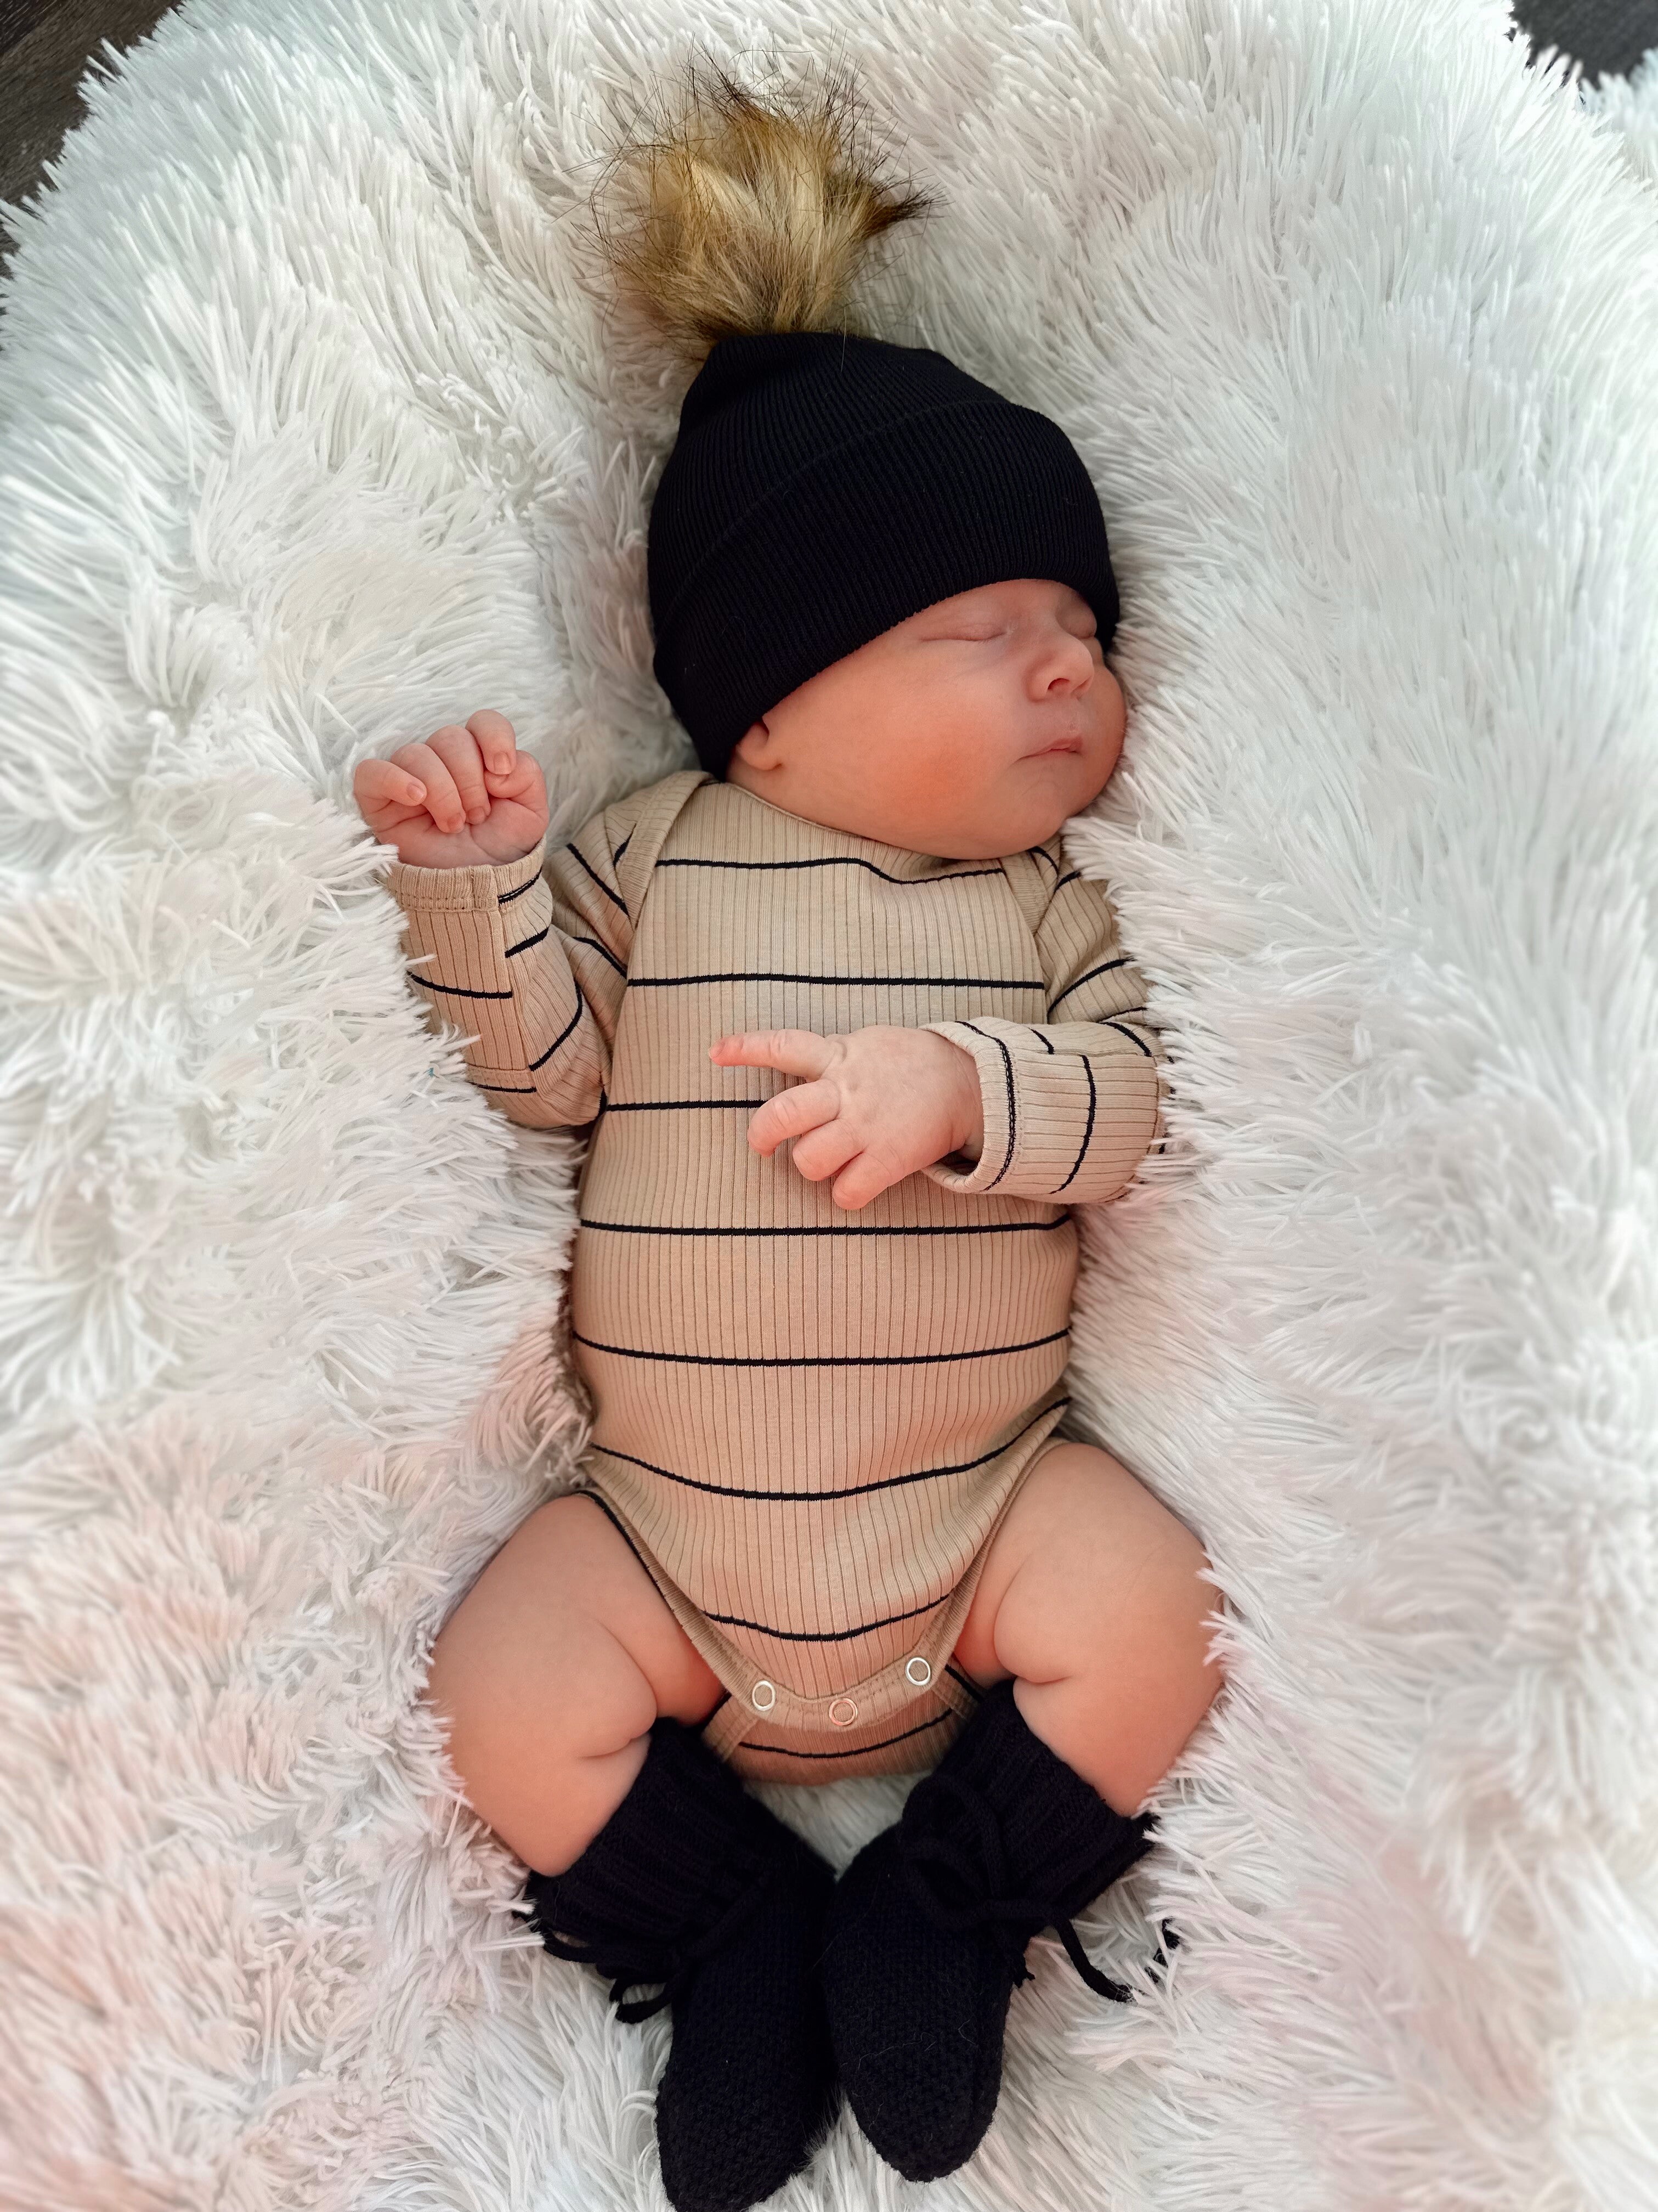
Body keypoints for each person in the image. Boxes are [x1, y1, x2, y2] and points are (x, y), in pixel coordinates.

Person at [352, 58, 1225, 2212]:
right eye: (988, 629)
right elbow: (546, 1069)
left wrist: (964, 1095)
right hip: (663, 1559)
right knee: (495, 1687)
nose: (1068, 676)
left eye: (1084, 635)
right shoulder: (670, 850)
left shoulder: (1049, 912)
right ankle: (730, 1928)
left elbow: (1122, 1109)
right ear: (775, 699)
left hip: (981, 1531)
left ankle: (941, 1903)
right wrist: (472, 890)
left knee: (1160, 1613)